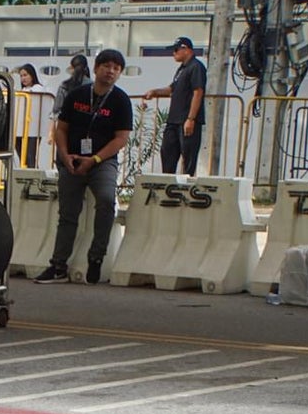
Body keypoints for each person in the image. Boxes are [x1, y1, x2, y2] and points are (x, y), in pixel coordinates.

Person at [39, 48, 131, 285]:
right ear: (97, 67)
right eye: (107, 66)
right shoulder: (77, 95)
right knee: (68, 213)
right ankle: (58, 265)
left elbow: (121, 138)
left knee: (106, 200)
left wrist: (96, 160)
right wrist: (65, 155)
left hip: (102, 162)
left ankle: (97, 257)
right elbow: (61, 128)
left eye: (116, 68)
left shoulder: (121, 100)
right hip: (71, 159)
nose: (111, 71)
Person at [145, 36, 206, 176]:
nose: (174, 53)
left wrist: (191, 118)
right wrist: (155, 92)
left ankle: (187, 185)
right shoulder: (182, 69)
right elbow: (172, 89)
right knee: (167, 152)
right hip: (174, 120)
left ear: (186, 49)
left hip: (186, 119)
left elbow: (198, 92)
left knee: (188, 157)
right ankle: (168, 182)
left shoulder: (196, 67)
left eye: (176, 50)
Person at [52, 53, 89, 121]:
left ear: (71, 68)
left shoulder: (64, 85)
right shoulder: (92, 85)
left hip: (65, 123)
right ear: (86, 68)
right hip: (86, 124)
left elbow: (56, 109)